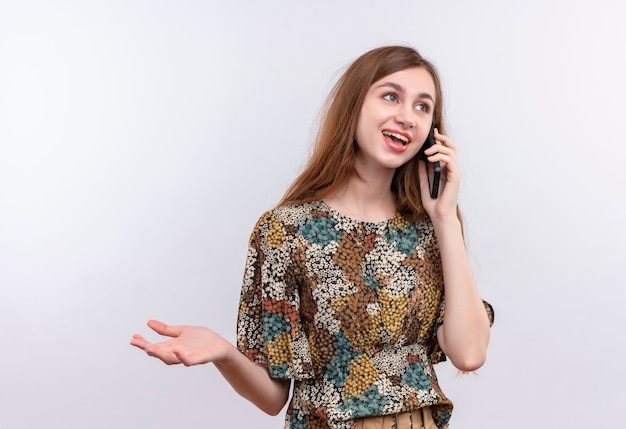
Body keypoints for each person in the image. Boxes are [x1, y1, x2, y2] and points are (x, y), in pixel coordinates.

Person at [130, 45, 494, 429]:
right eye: (391, 96)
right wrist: (224, 352)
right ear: (354, 105)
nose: (407, 117)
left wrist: (444, 218)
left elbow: (469, 353)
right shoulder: (285, 231)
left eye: (423, 107)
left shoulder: (431, 228)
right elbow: (273, 398)